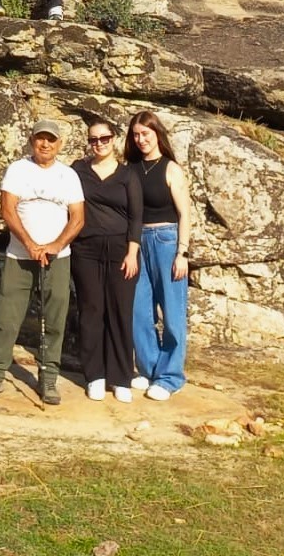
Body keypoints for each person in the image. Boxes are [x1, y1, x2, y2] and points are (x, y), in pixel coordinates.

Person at [0, 118, 85, 406]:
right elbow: (7, 208)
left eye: (51, 139)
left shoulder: (68, 176)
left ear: (60, 143)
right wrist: (29, 244)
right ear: (31, 139)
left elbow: (78, 217)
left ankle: (48, 377)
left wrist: (55, 245)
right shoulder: (18, 169)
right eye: (41, 138)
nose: (46, 144)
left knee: (54, 318)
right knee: (6, 315)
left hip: (58, 258)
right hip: (19, 255)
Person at [72, 117, 141, 402]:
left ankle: (121, 376)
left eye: (104, 138)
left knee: (121, 312)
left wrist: (132, 252)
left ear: (113, 139)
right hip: (86, 250)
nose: (98, 144)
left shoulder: (128, 175)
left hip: (120, 251)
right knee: (91, 311)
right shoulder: (78, 170)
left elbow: (137, 217)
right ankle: (95, 376)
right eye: (93, 139)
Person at [126, 111, 193, 400]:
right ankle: (150, 369)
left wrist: (183, 252)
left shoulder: (171, 169)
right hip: (138, 242)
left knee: (173, 313)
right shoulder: (131, 168)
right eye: (136, 134)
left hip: (167, 240)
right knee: (138, 311)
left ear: (157, 134)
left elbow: (185, 214)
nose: (141, 139)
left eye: (146, 134)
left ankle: (170, 377)